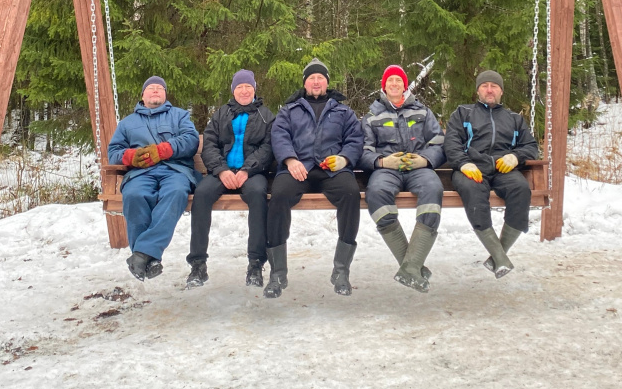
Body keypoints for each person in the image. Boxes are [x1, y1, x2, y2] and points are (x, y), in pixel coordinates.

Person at [266, 59, 364, 298]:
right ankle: (278, 272)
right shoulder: (289, 110)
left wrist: (343, 159)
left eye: (321, 77)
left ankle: (341, 270)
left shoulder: (343, 111)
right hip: (299, 168)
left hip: (332, 169)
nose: (316, 81)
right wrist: (290, 160)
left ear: (327, 82)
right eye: (312, 78)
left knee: (351, 194)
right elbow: (279, 136)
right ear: (305, 83)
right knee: (278, 196)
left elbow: (355, 139)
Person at [444, 70, 539, 277]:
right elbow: (451, 143)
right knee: (473, 191)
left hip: (502, 169)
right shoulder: (463, 113)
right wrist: (463, 164)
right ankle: (501, 258)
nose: (489, 90)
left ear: (501, 91)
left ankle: (498, 256)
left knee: (521, 189)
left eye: (494, 86)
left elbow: (530, 145)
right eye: (485, 86)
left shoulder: (514, 119)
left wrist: (515, 157)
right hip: (473, 168)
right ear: (478, 90)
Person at [186, 70, 275, 289]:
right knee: (202, 194)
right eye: (239, 87)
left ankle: (255, 263)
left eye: (248, 87)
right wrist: (221, 169)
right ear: (233, 90)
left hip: (252, 174)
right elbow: (209, 144)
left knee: (257, 195)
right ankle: (198, 264)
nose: (244, 91)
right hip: (222, 172)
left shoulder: (266, 115)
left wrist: (246, 170)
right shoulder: (220, 114)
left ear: (254, 89)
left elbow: (268, 147)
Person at [361, 65, 445, 292]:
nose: (395, 84)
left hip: (418, 168)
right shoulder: (372, 117)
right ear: (384, 86)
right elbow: (363, 150)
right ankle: (412, 266)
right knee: (376, 193)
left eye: (399, 80)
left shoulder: (423, 112)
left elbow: (438, 141)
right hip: (387, 170)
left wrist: (425, 160)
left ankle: (411, 266)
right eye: (390, 81)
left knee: (433, 189)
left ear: (405, 85)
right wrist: (381, 161)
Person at [107, 76, 200, 281]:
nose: (156, 91)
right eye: (151, 88)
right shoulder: (127, 123)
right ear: (143, 95)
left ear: (165, 94)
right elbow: (113, 152)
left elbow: (191, 140)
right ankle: (149, 257)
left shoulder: (179, 116)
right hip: (141, 173)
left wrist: (164, 149)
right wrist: (131, 156)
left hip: (175, 170)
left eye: (160, 88)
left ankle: (141, 255)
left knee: (175, 193)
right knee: (134, 194)